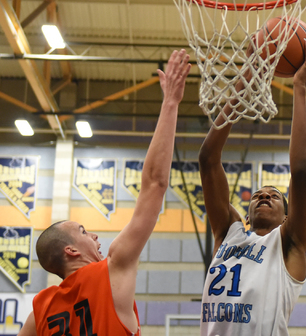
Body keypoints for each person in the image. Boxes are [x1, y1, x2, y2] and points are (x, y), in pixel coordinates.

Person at [18, 49, 192, 336]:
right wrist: (171, 102)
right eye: (84, 231)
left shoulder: (39, 312)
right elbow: (154, 185)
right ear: (71, 250)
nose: (95, 235)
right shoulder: (111, 271)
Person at [198, 38, 306, 335]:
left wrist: (300, 88)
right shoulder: (228, 232)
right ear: (247, 211)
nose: (264, 196)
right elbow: (207, 159)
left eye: (274, 196)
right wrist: (246, 79)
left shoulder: (290, 241)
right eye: (257, 195)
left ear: (286, 217)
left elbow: (302, 171)